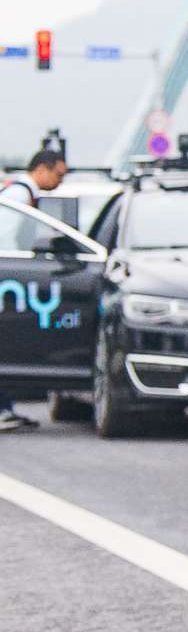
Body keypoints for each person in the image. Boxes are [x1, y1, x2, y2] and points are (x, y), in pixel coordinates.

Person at [0, 145, 69, 431]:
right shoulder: (17, 196)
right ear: (42, 168)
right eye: (58, 174)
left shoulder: (21, 194)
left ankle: (5, 408)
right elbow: (5, 238)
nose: (59, 182)